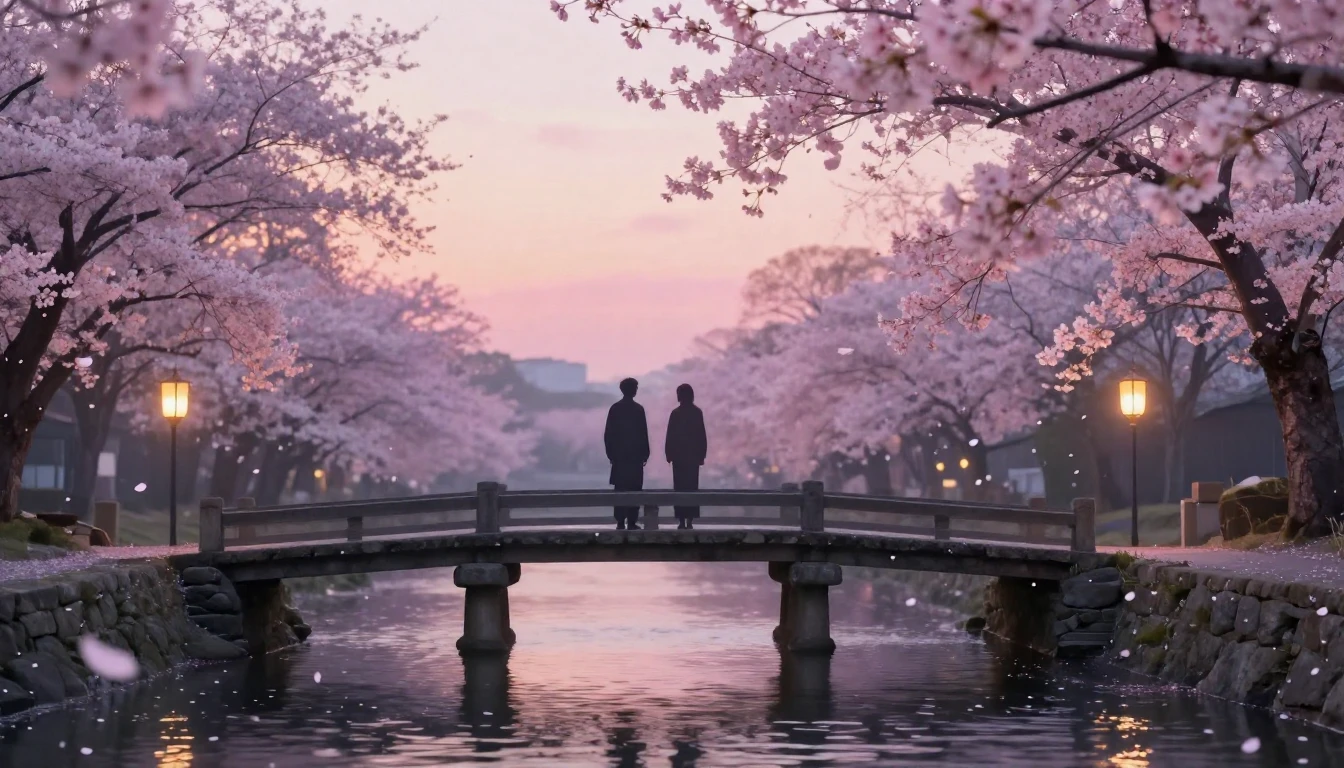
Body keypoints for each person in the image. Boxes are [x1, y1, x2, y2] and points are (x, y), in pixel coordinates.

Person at [604, 377, 650, 530]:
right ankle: (632, 521)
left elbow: (608, 434)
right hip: (635, 458)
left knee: (620, 489)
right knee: (635, 488)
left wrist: (611, 454)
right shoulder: (639, 409)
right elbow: (643, 433)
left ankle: (619, 521)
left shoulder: (615, 408)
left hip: (619, 458)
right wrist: (645, 453)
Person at [664, 383, 707, 529]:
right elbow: (702, 435)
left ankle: (681, 519)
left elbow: (670, 436)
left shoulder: (675, 413)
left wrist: (668, 454)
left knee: (680, 488)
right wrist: (702, 454)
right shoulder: (697, 412)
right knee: (692, 487)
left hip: (679, 457)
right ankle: (690, 519)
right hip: (693, 457)